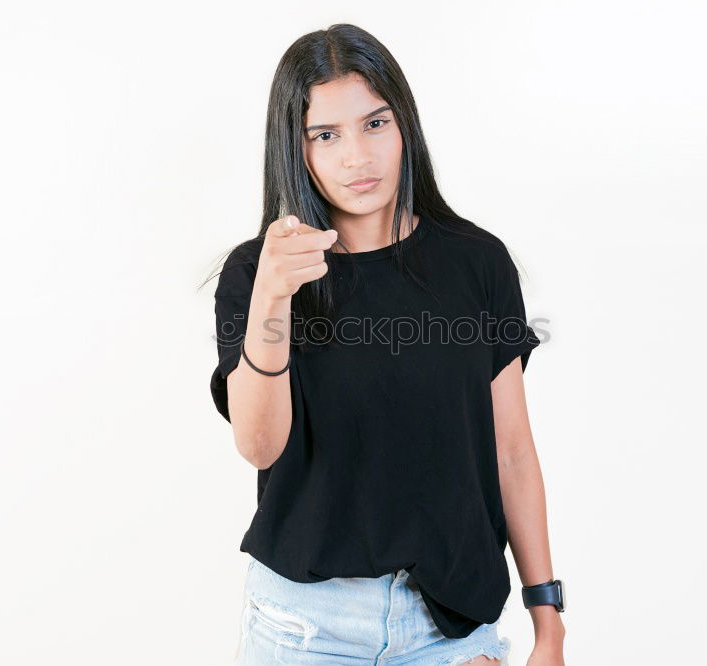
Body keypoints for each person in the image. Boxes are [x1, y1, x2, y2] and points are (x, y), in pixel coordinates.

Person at [203, 23, 566, 666]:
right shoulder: (256, 276)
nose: (357, 158)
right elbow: (259, 446)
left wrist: (549, 623)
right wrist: (272, 298)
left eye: (375, 124)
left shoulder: (475, 263)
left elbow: (511, 450)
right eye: (326, 134)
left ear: (405, 126)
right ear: (296, 146)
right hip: (305, 627)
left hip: (451, 626)